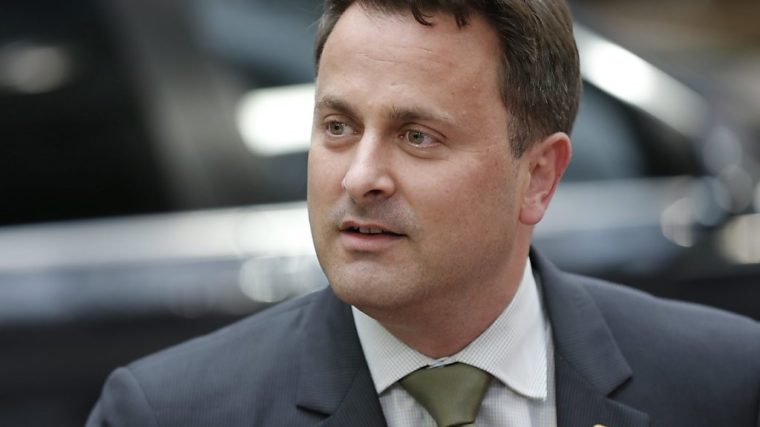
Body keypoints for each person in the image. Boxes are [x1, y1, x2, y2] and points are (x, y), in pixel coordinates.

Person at [87, 0, 760, 426]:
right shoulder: (166, 412)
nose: (360, 177)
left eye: (417, 136)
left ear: (538, 177)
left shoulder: (725, 383)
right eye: (338, 127)